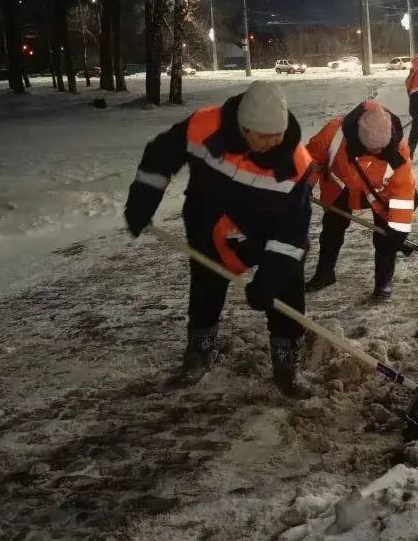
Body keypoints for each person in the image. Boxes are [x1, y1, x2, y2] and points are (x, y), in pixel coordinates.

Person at [123, 81, 314, 392]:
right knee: (205, 287)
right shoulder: (204, 125)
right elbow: (161, 154)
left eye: (277, 134)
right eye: (263, 136)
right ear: (243, 127)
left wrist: (270, 279)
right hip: (209, 226)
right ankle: (199, 351)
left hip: (264, 235)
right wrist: (142, 202)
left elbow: (292, 232)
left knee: (286, 290)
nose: (272, 142)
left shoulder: (295, 164)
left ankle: (285, 361)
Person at [305, 101, 416, 300]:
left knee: (386, 236)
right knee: (332, 228)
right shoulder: (334, 133)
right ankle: (325, 273)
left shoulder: (398, 147)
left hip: (378, 193)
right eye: (372, 150)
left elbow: (403, 190)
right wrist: (303, 185)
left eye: (381, 150)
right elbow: (310, 160)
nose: (378, 153)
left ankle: (383, 283)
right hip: (341, 186)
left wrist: (398, 229)